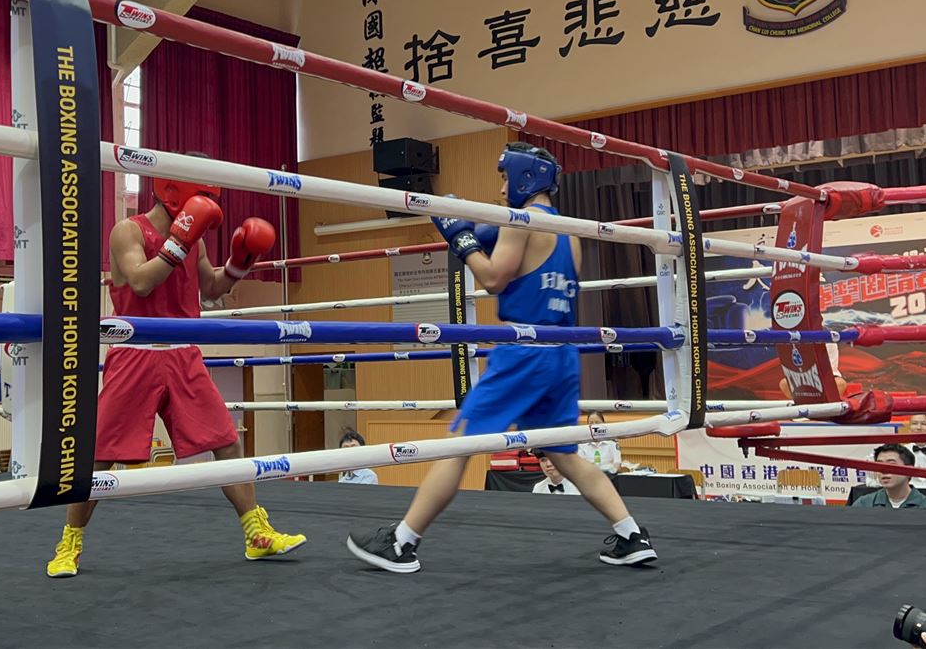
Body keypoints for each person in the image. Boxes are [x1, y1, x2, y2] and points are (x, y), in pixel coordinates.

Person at [347, 142, 657, 573]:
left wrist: (462, 240)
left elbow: (493, 279)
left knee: (459, 445)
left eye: (505, 178)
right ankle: (631, 534)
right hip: (562, 353)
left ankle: (401, 543)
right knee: (564, 454)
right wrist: (480, 233)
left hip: (523, 353)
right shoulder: (568, 232)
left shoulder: (520, 221)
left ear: (524, 178)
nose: (501, 188)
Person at [46, 171, 305, 578]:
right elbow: (140, 281)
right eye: (202, 193)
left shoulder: (195, 241)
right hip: (135, 353)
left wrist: (239, 263)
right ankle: (69, 544)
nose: (208, 202)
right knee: (100, 454)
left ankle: (256, 534)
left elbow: (212, 288)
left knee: (227, 442)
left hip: (184, 353)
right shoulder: (128, 231)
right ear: (172, 190)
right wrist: (179, 241)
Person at [850, 445, 926, 509]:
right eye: (879, 465)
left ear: (909, 470)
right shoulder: (864, 504)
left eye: (891, 465)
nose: (884, 471)